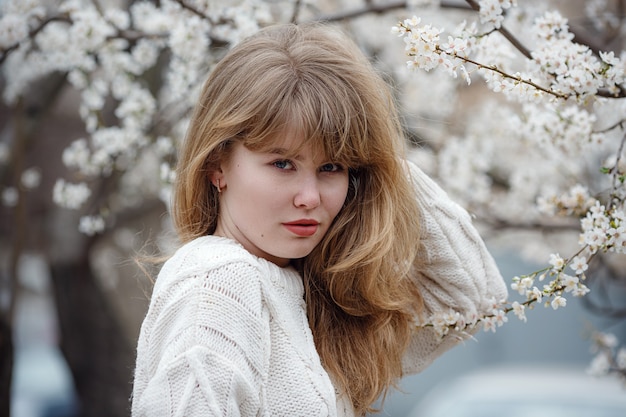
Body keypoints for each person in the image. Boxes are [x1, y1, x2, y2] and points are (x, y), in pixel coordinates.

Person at [131, 22, 508, 417]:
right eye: (282, 163)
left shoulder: (308, 297)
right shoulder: (218, 282)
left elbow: (472, 302)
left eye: (331, 166)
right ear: (216, 165)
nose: (310, 198)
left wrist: (383, 166)